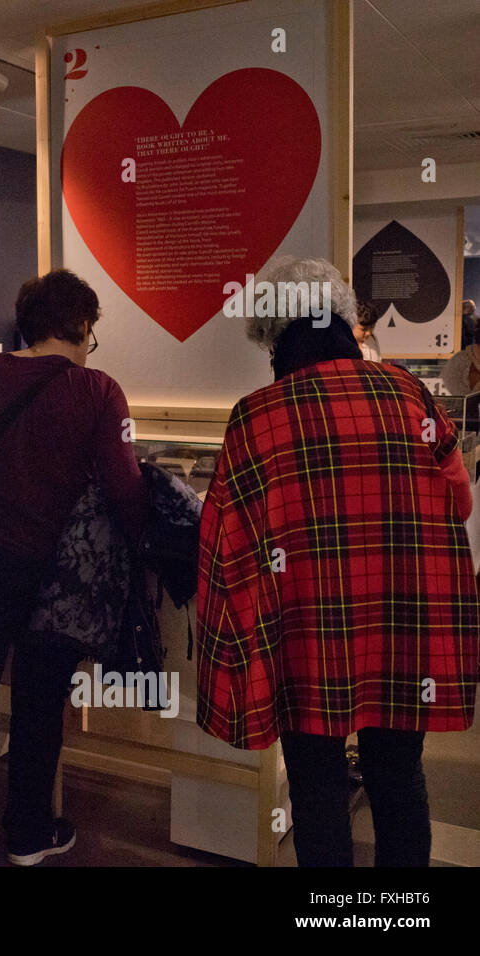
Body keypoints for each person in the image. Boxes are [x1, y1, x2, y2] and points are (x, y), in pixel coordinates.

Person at [198, 256, 479, 867]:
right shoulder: (408, 394)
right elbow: (459, 499)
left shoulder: (256, 415)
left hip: (306, 632)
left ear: (272, 335)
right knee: (398, 778)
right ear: (347, 320)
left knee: (317, 783)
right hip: (402, 622)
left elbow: (224, 536)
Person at [0, 269, 146, 865]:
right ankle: (26, 836)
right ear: (81, 325)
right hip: (51, 573)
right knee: (40, 707)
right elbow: (124, 486)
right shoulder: (98, 390)